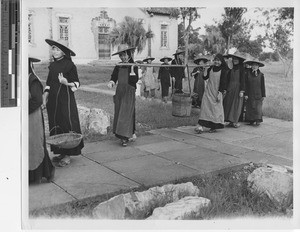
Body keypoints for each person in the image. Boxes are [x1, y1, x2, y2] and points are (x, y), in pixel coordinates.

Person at [43, 39, 84, 167]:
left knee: (67, 124)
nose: (54, 51)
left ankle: (67, 155)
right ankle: (60, 151)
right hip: (54, 101)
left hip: (65, 100)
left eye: (57, 49)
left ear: (63, 52)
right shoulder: (53, 66)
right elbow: (49, 84)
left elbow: (76, 83)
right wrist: (45, 97)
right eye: (53, 48)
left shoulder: (70, 65)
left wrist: (66, 82)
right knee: (56, 124)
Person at [29, 57, 55, 184]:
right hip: (26, 117)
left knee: (36, 145)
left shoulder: (32, 80)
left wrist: (23, 111)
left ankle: (47, 172)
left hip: (33, 117)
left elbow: (37, 100)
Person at [107, 44, 139, 146]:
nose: (123, 57)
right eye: (121, 55)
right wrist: (112, 82)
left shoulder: (134, 65)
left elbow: (135, 80)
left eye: (124, 55)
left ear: (129, 55)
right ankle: (121, 135)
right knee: (119, 113)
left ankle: (126, 136)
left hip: (129, 92)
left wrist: (133, 71)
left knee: (126, 114)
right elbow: (114, 76)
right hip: (120, 92)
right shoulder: (118, 65)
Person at [194, 54, 228, 133]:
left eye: (218, 60)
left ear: (221, 61)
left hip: (217, 92)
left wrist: (220, 93)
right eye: (215, 60)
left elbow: (223, 83)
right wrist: (205, 69)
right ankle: (200, 126)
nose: (216, 62)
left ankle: (214, 126)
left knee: (215, 109)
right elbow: (205, 78)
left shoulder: (223, 70)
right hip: (208, 91)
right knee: (205, 107)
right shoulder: (211, 69)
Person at [223, 51, 246, 128]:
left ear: (239, 60)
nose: (235, 60)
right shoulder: (231, 68)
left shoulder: (242, 69)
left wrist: (242, 90)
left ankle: (235, 121)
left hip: (238, 88)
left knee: (236, 105)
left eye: (236, 59)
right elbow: (227, 79)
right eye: (234, 59)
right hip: (230, 87)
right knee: (228, 104)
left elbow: (243, 80)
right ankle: (229, 121)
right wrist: (226, 88)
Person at [244, 58, 266, 126]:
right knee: (250, 106)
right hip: (250, 93)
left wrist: (263, 95)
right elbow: (245, 84)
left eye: (256, 65)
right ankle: (251, 120)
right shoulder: (247, 74)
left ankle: (258, 120)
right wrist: (246, 94)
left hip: (258, 93)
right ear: (251, 66)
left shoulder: (261, 75)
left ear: (258, 66)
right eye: (253, 65)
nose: (254, 66)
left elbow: (263, 85)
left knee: (258, 107)